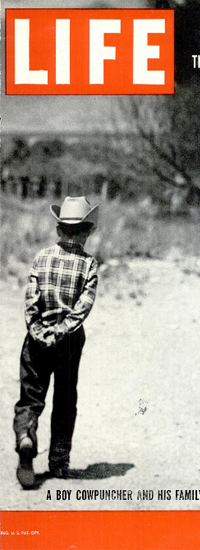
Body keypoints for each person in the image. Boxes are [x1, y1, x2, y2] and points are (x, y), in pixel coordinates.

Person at [14, 196, 99, 488]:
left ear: (58, 229)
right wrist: (61, 331)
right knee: (64, 399)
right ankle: (59, 462)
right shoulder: (89, 265)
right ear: (87, 231)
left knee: (31, 396)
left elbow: (30, 301)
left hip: (36, 340)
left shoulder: (41, 257)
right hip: (69, 342)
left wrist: (39, 330)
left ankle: (26, 435)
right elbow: (83, 308)